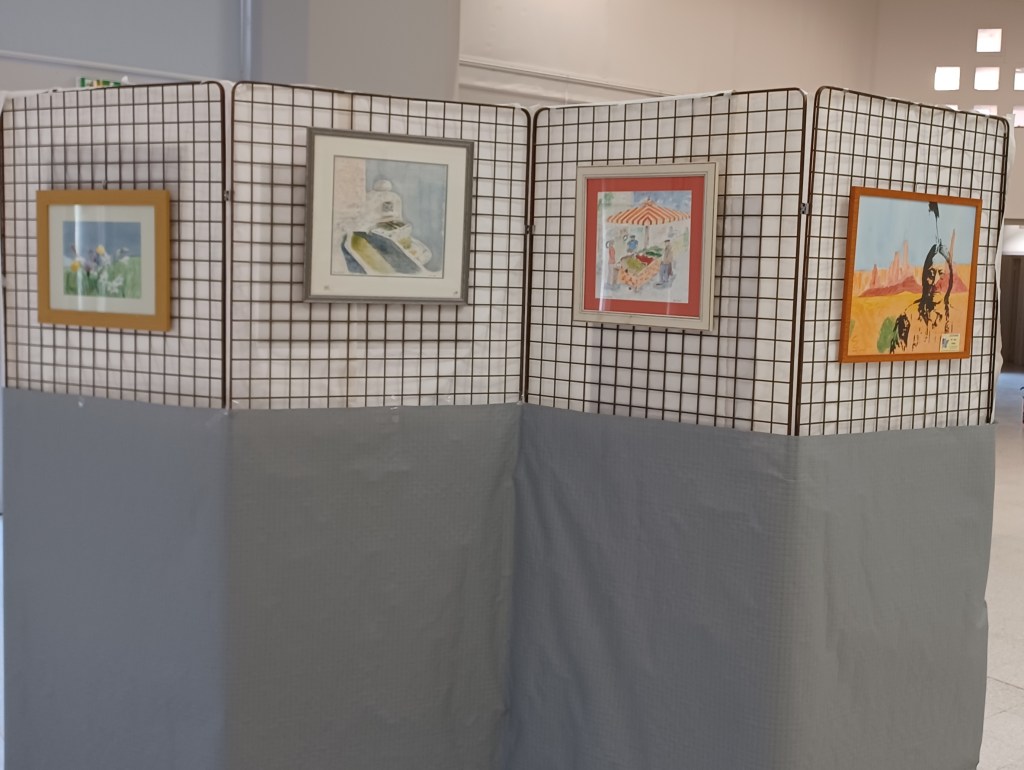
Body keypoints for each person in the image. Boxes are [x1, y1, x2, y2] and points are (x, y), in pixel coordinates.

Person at [888, 241, 953, 353]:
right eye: (931, 274)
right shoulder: (908, 317)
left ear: (950, 280)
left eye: (941, 274)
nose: (935, 281)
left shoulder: (954, 320)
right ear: (924, 278)